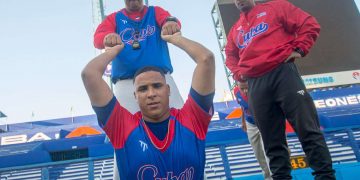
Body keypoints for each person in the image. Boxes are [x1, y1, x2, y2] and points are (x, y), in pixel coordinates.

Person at [225, 0, 335, 179]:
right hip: (256, 83)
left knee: (308, 130)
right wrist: (239, 73)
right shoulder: (235, 30)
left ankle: (325, 176)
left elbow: (309, 23)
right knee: (271, 141)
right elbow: (230, 55)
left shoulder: (276, 7)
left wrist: (300, 48)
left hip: (283, 72)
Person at [82, 31, 215, 179]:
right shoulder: (122, 127)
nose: (151, 93)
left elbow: (206, 59)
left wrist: (175, 38)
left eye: (157, 86)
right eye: (143, 89)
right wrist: (114, 50)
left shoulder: (192, 119)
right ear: (135, 96)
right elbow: (90, 74)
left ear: (168, 90)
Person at [94, 0, 184, 113]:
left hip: (160, 79)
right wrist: (107, 37)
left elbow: (171, 21)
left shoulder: (156, 11)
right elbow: (98, 40)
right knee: (126, 127)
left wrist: (170, 24)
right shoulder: (114, 18)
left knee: (178, 121)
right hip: (126, 83)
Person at [234, 81, 272, 180]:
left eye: (247, 87)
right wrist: (243, 121)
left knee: (268, 152)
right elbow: (242, 106)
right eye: (242, 88)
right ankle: (267, 178)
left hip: (264, 122)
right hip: (250, 123)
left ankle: (275, 177)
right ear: (237, 86)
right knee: (258, 154)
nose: (245, 91)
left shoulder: (259, 89)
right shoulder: (236, 92)